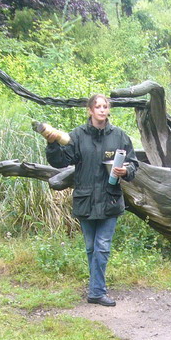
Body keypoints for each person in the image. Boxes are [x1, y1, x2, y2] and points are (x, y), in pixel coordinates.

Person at [42, 94, 139, 307]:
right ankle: (96, 287)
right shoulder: (77, 135)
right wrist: (52, 144)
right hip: (85, 200)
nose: (102, 110)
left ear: (108, 110)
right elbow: (60, 161)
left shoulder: (119, 136)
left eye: (105, 106)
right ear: (90, 110)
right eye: (98, 106)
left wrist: (126, 170)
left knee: (102, 246)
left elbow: (134, 165)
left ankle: (96, 291)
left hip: (110, 200)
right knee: (90, 248)